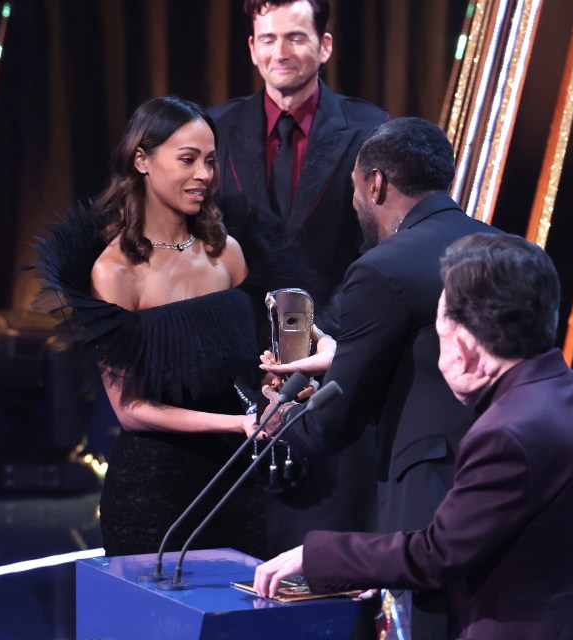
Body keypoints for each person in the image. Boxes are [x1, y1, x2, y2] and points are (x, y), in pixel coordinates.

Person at [254, 232, 573, 639]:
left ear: (465, 342)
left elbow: (437, 554)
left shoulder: (505, 434)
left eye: (441, 328)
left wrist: (316, 556)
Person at [256, 116, 497, 639]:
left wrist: (280, 413)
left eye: (354, 190)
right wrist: (340, 355)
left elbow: (334, 424)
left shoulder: (382, 268)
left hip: (430, 502)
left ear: (376, 183)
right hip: (507, 482)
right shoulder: (505, 248)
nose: (355, 203)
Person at [31, 96, 273, 558]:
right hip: (154, 491)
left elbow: (259, 361)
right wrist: (237, 423)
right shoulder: (115, 272)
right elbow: (131, 408)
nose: (204, 174)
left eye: (210, 161)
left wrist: (275, 387)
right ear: (141, 159)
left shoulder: (228, 253)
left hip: (234, 482)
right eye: (188, 159)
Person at [209, 0, 386, 563]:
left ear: (324, 46)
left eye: (296, 38)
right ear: (252, 49)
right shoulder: (214, 128)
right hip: (233, 375)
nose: (280, 52)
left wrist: (314, 340)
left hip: (338, 367)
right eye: (267, 39)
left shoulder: (371, 129)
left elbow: (379, 251)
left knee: (325, 574)